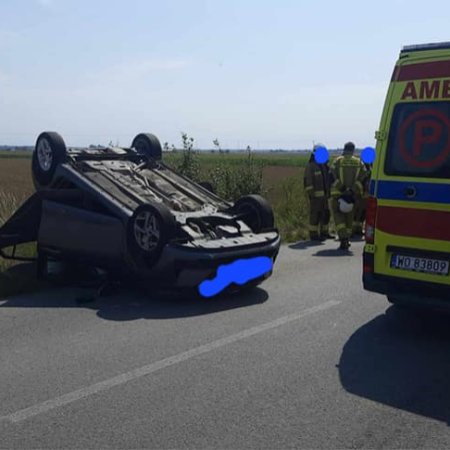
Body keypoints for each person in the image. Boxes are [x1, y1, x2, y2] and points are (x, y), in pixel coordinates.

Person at [329, 142, 367, 250]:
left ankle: (343, 239)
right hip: (352, 197)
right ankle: (347, 238)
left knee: (339, 218)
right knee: (349, 219)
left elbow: (331, 176)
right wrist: (352, 191)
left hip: (338, 195)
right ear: (353, 150)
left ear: (344, 149)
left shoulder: (337, 161)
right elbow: (363, 179)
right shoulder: (359, 162)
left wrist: (342, 188)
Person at [303, 144, 333, 241]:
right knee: (315, 215)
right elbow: (308, 182)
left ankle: (325, 232)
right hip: (315, 197)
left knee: (326, 214)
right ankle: (313, 234)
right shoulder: (311, 166)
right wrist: (312, 195)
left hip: (325, 196)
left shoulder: (324, 166)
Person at [352, 162, 372, 237]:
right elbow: (358, 181)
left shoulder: (369, 169)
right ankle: (353, 230)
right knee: (357, 213)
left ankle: (359, 229)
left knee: (362, 213)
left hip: (366, 195)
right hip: (360, 194)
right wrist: (360, 192)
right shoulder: (361, 169)